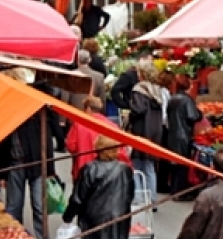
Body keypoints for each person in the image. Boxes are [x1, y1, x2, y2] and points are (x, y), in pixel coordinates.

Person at [0, 96, 56, 239]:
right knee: (13, 206)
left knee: (39, 206)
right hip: (14, 163)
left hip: (37, 164)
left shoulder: (37, 114)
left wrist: (50, 170)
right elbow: (1, 145)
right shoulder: (8, 116)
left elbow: (47, 143)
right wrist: (1, 174)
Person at [65, 96, 131, 181]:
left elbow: (71, 146)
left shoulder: (79, 124)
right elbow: (120, 151)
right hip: (108, 172)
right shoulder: (113, 126)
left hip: (83, 169)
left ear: (88, 108)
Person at [129, 62, 164, 206]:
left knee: (136, 165)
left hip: (141, 131)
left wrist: (130, 110)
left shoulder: (139, 90)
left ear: (142, 74)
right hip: (155, 132)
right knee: (150, 166)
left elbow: (139, 109)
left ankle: (139, 198)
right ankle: (152, 199)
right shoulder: (157, 90)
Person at [166, 74, 202, 195]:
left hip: (172, 134)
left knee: (175, 164)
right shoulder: (186, 99)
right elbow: (193, 116)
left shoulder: (172, 98)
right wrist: (199, 113)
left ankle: (174, 189)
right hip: (183, 135)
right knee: (182, 164)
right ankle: (180, 191)